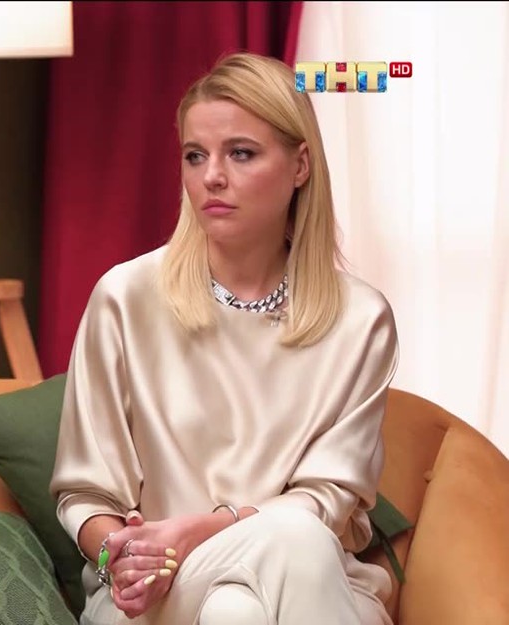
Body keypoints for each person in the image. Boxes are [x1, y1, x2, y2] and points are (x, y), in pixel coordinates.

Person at [49, 51, 400, 625]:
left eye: (241, 153)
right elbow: (85, 494)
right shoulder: (125, 297)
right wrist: (123, 556)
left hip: (311, 577)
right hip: (161, 588)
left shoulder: (361, 319)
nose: (211, 176)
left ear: (300, 165)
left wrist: (206, 528)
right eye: (195, 155)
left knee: (242, 604)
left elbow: (327, 501)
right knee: (288, 542)